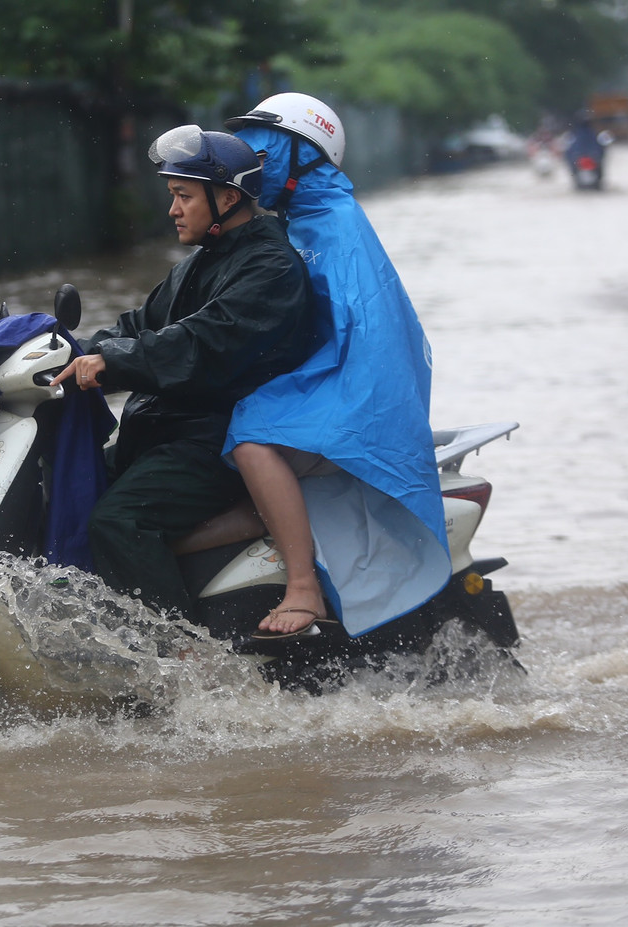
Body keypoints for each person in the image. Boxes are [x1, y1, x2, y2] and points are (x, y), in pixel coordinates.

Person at [49, 126, 314, 623]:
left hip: (212, 437)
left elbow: (202, 343)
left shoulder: (270, 269)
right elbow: (139, 325)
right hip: (161, 430)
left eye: (183, 196)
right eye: (173, 196)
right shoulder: (202, 261)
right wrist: (66, 351)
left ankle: (179, 654)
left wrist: (114, 362)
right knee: (65, 479)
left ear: (228, 198)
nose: (172, 210)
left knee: (119, 520)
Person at [222, 93, 451, 641]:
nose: (252, 167)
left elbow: (367, 339)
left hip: (359, 392)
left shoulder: (336, 226)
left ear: (301, 156)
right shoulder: (293, 221)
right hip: (325, 379)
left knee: (253, 438)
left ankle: (303, 588)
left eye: (264, 153)